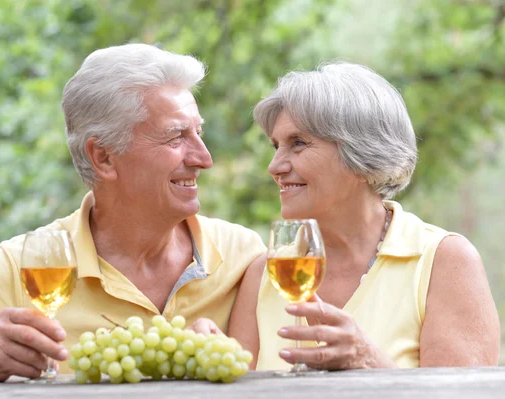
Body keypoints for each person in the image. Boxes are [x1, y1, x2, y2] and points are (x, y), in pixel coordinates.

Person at [0, 43, 266, 381]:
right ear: (104, 157)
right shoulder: (34, 264)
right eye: (175, 137)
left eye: (198, 133)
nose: (204, 158)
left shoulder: (243, 255)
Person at [202, 62, 500, 370]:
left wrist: (369, 361)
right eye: (276, 146)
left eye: (298, 144)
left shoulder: (445, 262)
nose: (275, 166)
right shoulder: (266, 274)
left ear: (362, 154)